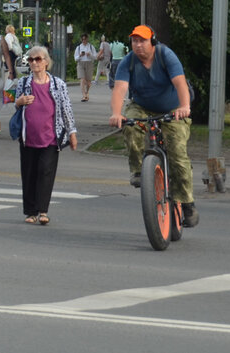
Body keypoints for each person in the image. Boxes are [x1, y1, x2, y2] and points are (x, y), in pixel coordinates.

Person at [107, 25, 198, 228]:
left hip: (172, 109)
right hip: (142, 106)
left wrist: (184, 107)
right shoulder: (128, 61)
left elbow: (180, 83)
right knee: (130, 125)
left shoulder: (166, 55)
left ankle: (187, 202)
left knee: (177, 152)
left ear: (152, 41)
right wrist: (116, 113)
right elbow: (120, 89)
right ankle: (139, 171)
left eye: (143, 41)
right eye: (134, 41)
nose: (138, 45)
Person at [12, 45, 77, 224]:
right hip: (28, 137)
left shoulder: (58, 84)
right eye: (31, 59)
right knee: (29, 173)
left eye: (38, 59)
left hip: (50, 136)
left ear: (46, 62)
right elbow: (14, 105)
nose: (34, 63)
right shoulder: (24, 83)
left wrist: (72, 133)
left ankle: (43, 211)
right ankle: (30, 212)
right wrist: (20, 101)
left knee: (46, 172)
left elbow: (66, 109)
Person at [74, 34, 96, 102]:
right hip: (81, 63)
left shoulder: (91, 47)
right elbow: (75, 58)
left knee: (89, 81)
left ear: (87, 39)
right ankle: (84, 95)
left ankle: (87, 93)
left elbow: (95, 57)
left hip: (89, 63)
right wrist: (80, 55)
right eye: (83, 39)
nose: (84, 41)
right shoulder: (79, 47)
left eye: (85, 39)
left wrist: (90, 55)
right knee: (82, 79)